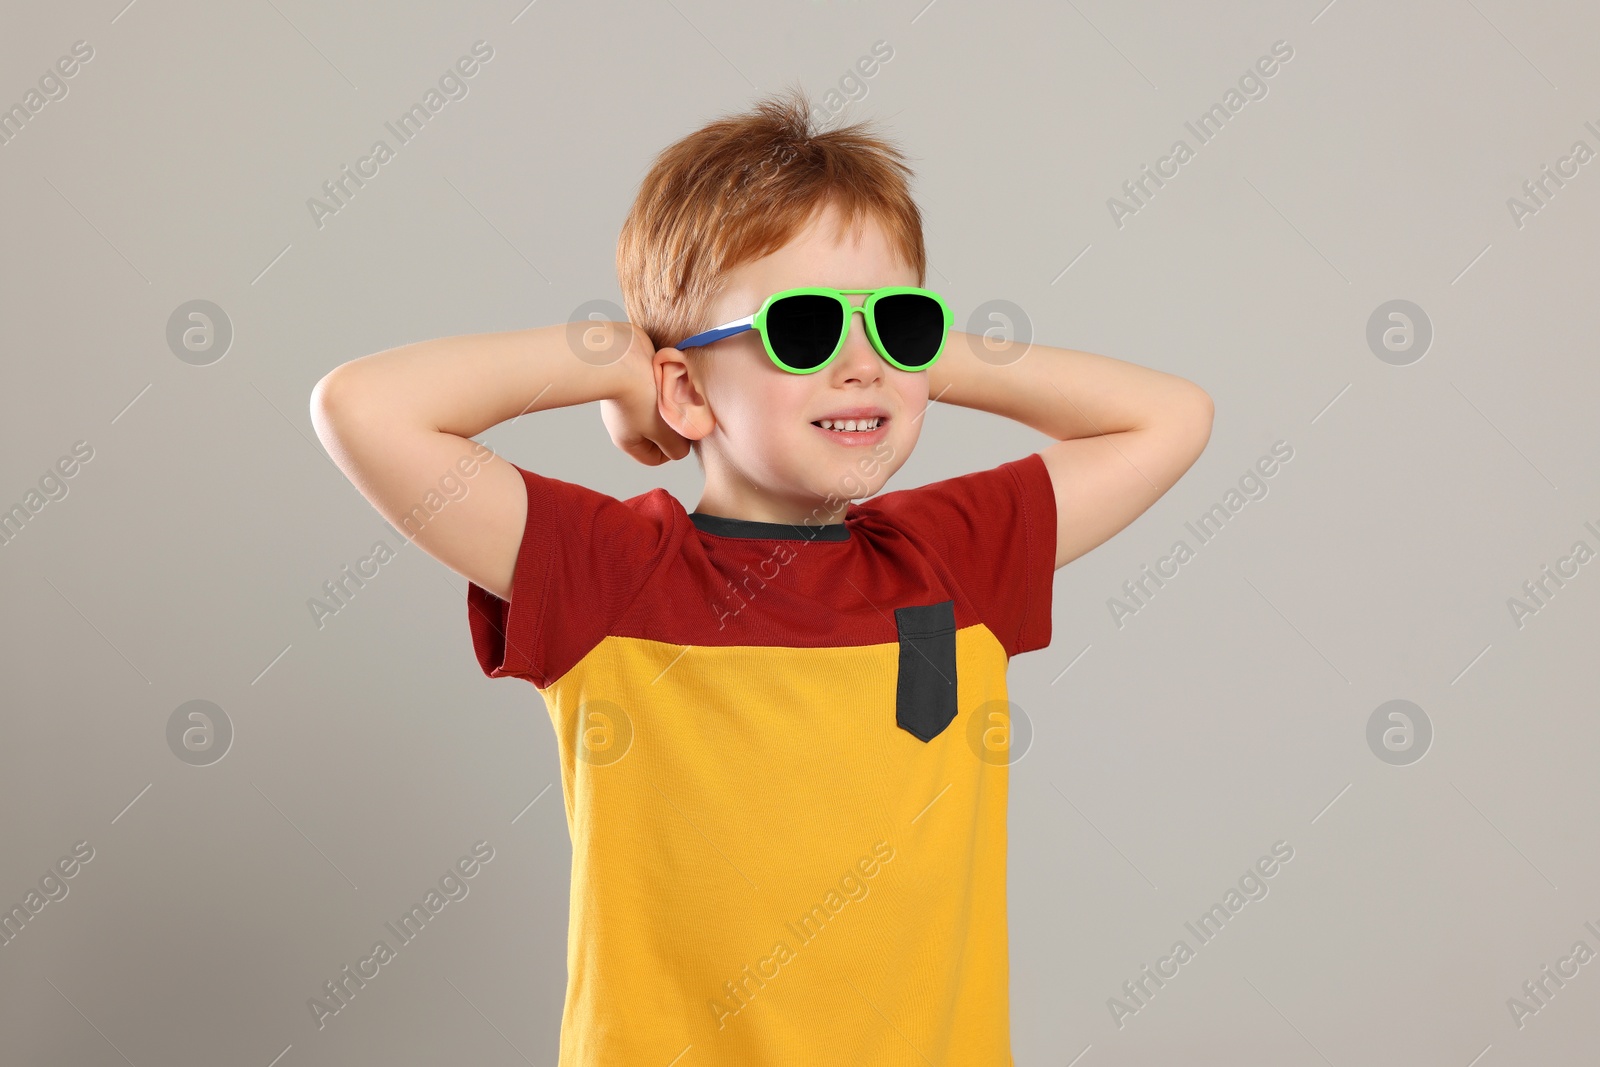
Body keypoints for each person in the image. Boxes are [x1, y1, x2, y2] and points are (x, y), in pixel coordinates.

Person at [310, 87, 1212, 1066]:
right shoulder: (608, 571)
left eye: (896, 323)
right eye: (806, 328)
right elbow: (364, 406)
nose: (860, 363)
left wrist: (932, 357)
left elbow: (1170, 416)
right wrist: (617, 357)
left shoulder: (950, 556)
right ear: (688, 387)